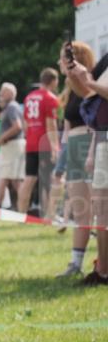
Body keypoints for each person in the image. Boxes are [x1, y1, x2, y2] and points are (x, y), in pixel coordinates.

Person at [65, 48, 108, 286]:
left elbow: (93, 88)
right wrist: (75, 76)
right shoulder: (106, 60)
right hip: (102, 138)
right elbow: (89, 95)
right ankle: (102, 271)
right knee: (102, 211)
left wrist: (87, 80)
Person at [56, 42, 97, 278]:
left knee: (99, 208)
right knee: (80, 208)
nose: (59, 62)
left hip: (90, 145)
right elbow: (66, 129)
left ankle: (101, 263)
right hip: (73, 148)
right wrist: (62, 162)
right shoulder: (70, 89)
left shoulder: (90, 84)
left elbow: (97, 120)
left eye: (62, 58)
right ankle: (75, 263)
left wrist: (91, 151)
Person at [19, 68, 61, 217]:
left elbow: (25, 124)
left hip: (30, 142)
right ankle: (48, 215)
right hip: (44, 144)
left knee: (29, 178)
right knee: (47, 180)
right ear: (53, 81)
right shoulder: (50, 98)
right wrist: (55, 147)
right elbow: (51, 125)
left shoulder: (29, 97)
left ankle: (21, 213)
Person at [0, 82, 25, 210]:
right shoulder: (10, 107)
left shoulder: (12, 107)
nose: (0, 93)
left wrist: (3, 137)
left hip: (12, 146)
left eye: (3, 91)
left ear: (11, 93)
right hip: (12, 146)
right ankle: (22, 207)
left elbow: (17, 126)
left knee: (8, 177)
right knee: (14, 179)